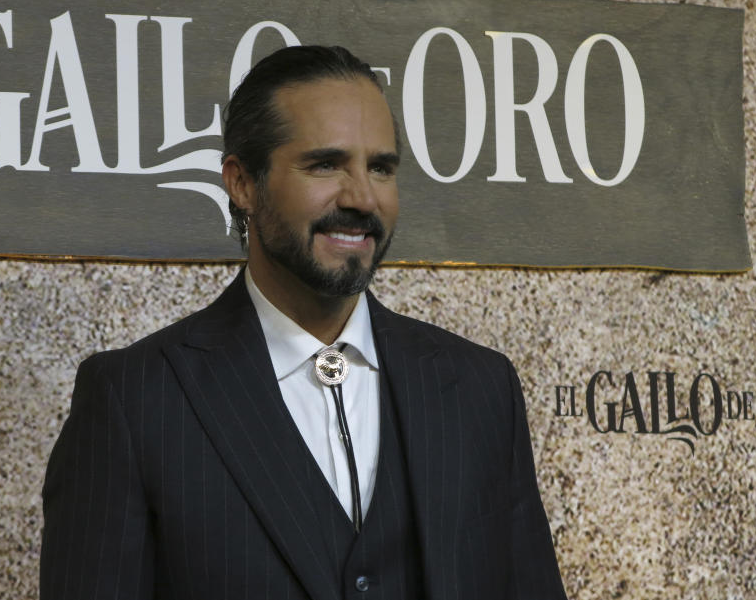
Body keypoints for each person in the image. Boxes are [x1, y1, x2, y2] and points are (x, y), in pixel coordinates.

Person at [41, 45, 567, 600]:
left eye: (381, 168)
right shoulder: (133, 400)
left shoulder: (482, 388)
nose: (362, 198)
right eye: (325, 164)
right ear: (242, 183)